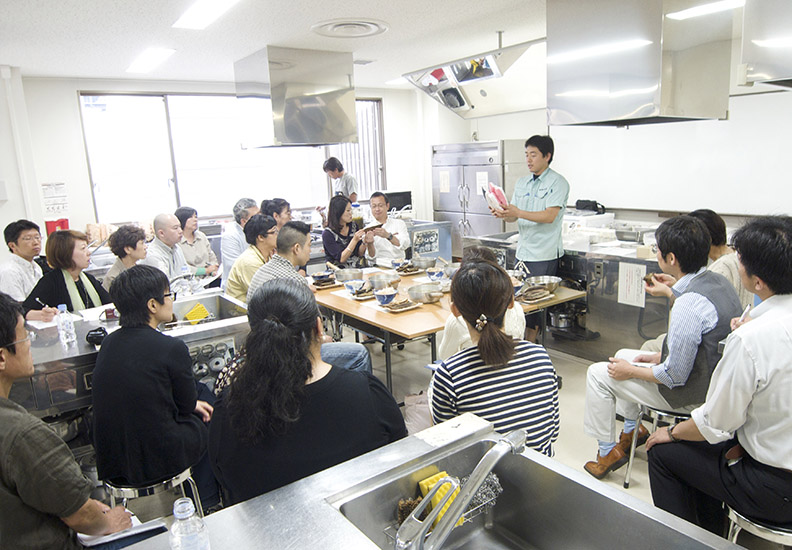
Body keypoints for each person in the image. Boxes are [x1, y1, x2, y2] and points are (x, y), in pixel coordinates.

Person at [646, 216, 792, 535]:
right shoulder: (757, 325)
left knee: (663, 453)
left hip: (773, 489)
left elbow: (715, 422)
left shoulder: (752, 340)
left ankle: (688, 542)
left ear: (756, 281)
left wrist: (669, 433)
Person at [208, 279, 406, 505]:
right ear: (319, 327)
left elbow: (224, 475)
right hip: (359, 527)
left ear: (255, 333)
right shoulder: (367, 394)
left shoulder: (230, 407)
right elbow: (399, 457)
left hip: (269, 535)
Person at [582, 216, 743, 479]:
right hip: (713, 379)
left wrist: (631, 372)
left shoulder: (687, 304)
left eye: (657, 249)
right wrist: (656, 356)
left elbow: (674, 376)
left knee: (599, 374)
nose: (655, 253)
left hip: (692, 396)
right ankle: (632, 429)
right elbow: (703, 342)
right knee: (623, 355)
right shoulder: (717, 281)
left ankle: (606, 452)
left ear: (670, 258)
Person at [0, 292, 136, 549]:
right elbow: (81, 515)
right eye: (24, 335)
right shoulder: (23, 435)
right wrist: (108, 521)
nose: (29, 342)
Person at [92, 265, 218, 508]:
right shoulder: (171, 348)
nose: (171, 301)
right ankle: (207, 502)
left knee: (198, 398)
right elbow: (184, 406)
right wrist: (193, 403)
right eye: (169, 295)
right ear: (152, 305)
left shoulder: (109, 343)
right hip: (155, 458)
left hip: (113, 458)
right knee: (210, 417)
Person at [430, 259, 559, 456]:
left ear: (454, 310)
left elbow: (448, 449)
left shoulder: (449, 375)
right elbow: (553, 432)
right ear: (511, 302)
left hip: (481, 482)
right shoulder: (540, 356)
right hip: (540, 475)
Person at [491, 135, 569, 342]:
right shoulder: (522, 183)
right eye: (526, 155)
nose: (528, 159)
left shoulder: (558, 183)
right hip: (523, 252)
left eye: (533, 154)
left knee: (535, 306)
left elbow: (549, 216)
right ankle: (517, 345)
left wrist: (517, 212)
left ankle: (531, 348)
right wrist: (503, 214)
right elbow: (513, 216)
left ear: (547, 156)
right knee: (516, 301)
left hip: (543, 253)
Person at [438, 247, 526, 360]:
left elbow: (445, 356)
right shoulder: (517, 310)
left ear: (455, 309)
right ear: (511, 301)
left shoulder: (456, 322)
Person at [23, 230, 111, 313]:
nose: (88, 253)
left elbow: (110, 303)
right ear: (66, 253)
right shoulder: (51, 281)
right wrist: (43, 314)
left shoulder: (89, 279)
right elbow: (25, 310)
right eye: (83, 248)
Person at [0, 220, 57, 321]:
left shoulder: (36, 266)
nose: (35, 242)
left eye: (37, 237)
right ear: (12, 245)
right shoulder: (9, 271)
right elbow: (15, 310)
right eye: (28, 239)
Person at [224, 213, 278, 302]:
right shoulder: (250, 261)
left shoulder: (269, 255)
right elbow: (266, 296)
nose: (277, 235)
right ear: (260, 237)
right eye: (274, 232)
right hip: (242, 311)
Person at [363, 191, 410, 266]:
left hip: (399, 266)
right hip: (378, 268)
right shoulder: (368, 229)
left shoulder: (399, 223)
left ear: (387, 206)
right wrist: (370, 243)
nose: (377, 209)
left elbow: (405, 244)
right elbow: (371, 257)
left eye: (380, 205)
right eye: (374, 206)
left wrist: (388, 236)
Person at [220, 198, 259, 288]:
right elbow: (236, 267)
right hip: (237, 287)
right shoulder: (230, 236)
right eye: (256, 216)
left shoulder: (258, 230)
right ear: (244, 221)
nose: (260, 218)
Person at [322, 195, 366, 267]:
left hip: (356, 270)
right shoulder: (328, 234)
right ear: (338, 212)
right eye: (348, 210)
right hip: (337, 273)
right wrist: (354, 240)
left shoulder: (354, 226)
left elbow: (359, 253)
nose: (351, 213)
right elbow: (341, 258)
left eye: (351, 210)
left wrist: (365, 242)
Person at [174, 206, 218, 278]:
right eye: (191, 217)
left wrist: (213, 270)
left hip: (209, 278)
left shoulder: (201, 236)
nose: (195, 220)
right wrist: (205, 270)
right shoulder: (177, 241)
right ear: (182, 220)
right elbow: (181, 267)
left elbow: (212, 257)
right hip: (189, 280)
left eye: (196, 217)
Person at [141, 213, 187, 280]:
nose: (180, 231)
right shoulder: (152, 255)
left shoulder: (177, 248)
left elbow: (187, 274)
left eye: (180, 227)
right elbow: (165, 286)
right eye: (175, 228)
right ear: (161, 233)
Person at [103, 224, 147, 292]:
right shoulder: (113, 278)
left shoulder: (140, 270)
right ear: (128, 249)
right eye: (142, 243)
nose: (145, 247)